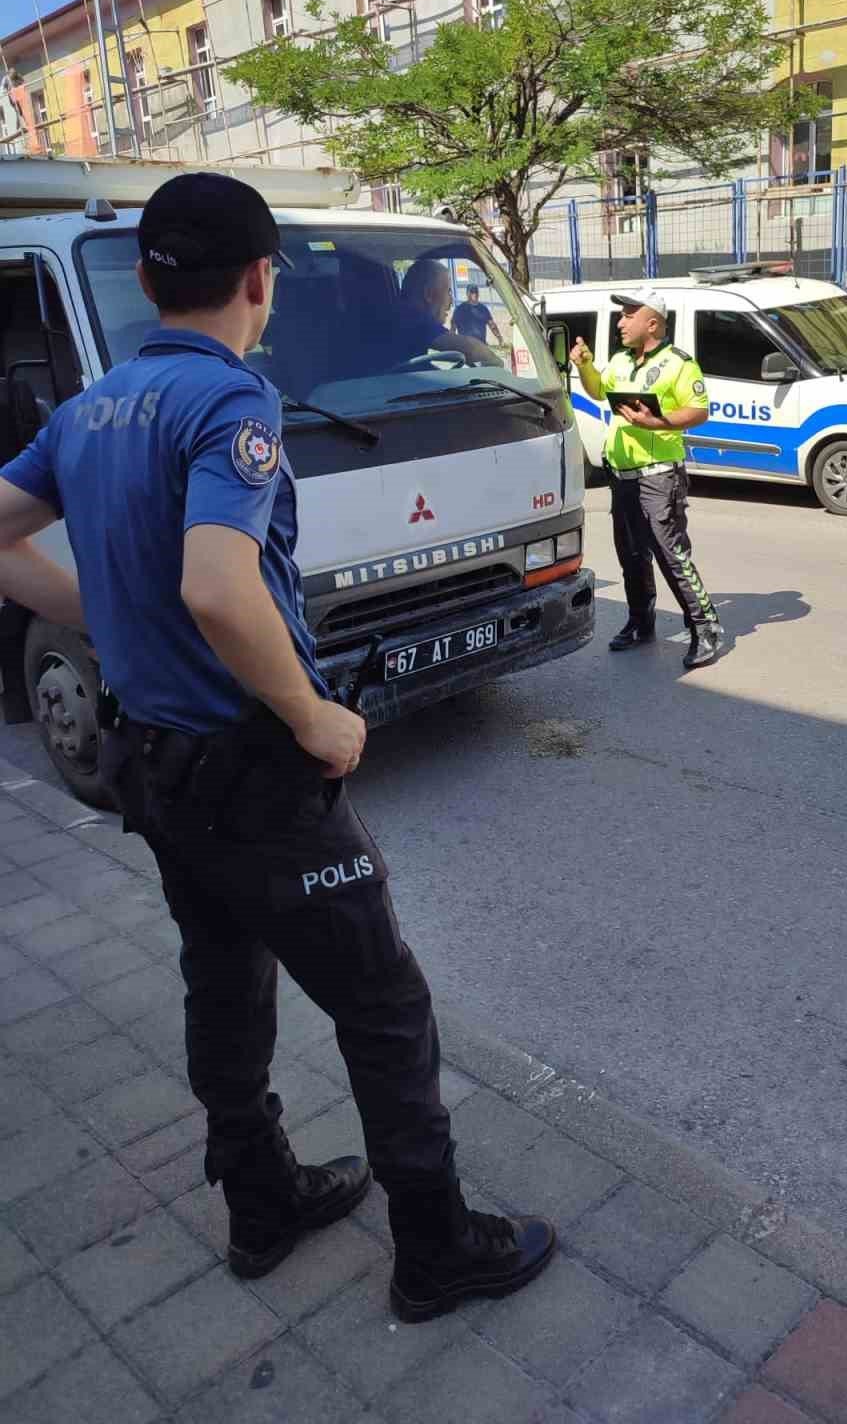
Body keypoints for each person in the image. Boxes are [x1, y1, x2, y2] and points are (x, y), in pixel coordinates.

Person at [0, 172, 554, 1320]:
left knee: (224, 977)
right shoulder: (233, 403)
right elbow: (218, 584)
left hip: (152, 762)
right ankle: (437, 1244)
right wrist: (315, 717)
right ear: (263, 281)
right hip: (252, 768)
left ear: (149, 282)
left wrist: (103, 611)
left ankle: (261, 1201)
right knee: (385, 1005)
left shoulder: (93, 409)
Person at [570, 285, 723, 670]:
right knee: (631, 555)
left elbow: (699, 409)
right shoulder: (620, 360)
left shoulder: (679, 364)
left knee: (672, 555)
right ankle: (641, 622)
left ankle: (705, 628)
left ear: (651, 322)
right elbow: (597, 389)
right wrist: (585, 365)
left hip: (659, 475)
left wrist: (659, 423)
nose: (620, 322)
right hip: (621, 474)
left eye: (628, 315)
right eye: (621, 315)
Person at [396, 258, 502, 368]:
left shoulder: (398, 315)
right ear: (429, 294)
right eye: (448, 291)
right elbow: (469, 349)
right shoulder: (414, 319)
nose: (451, 301)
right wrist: (494, 361)